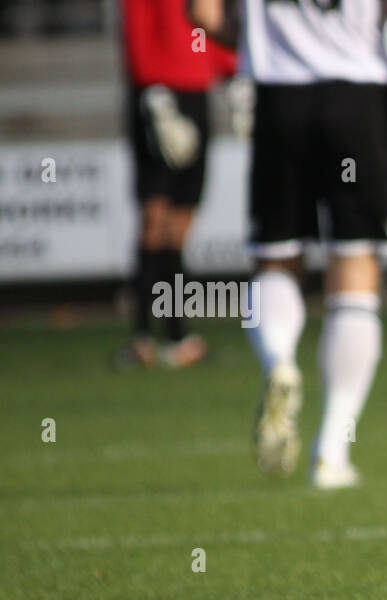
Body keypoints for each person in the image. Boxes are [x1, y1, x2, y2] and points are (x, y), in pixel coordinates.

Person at [189, 0, 387, 487]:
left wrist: (266, 39)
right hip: (358, 101)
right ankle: (331, 450)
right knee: (354, 266)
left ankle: (279, 359)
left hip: (277, 101)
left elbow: (204, 17)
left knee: (275, 257)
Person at [118, 0, 236, 370]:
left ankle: (176, 337)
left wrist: (228, 68)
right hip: (158, 93)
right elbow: (136, 26)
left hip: (195, 93)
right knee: (155, 217)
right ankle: (141, 338)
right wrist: (151, 85)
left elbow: (206, 29)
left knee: (181, 225)